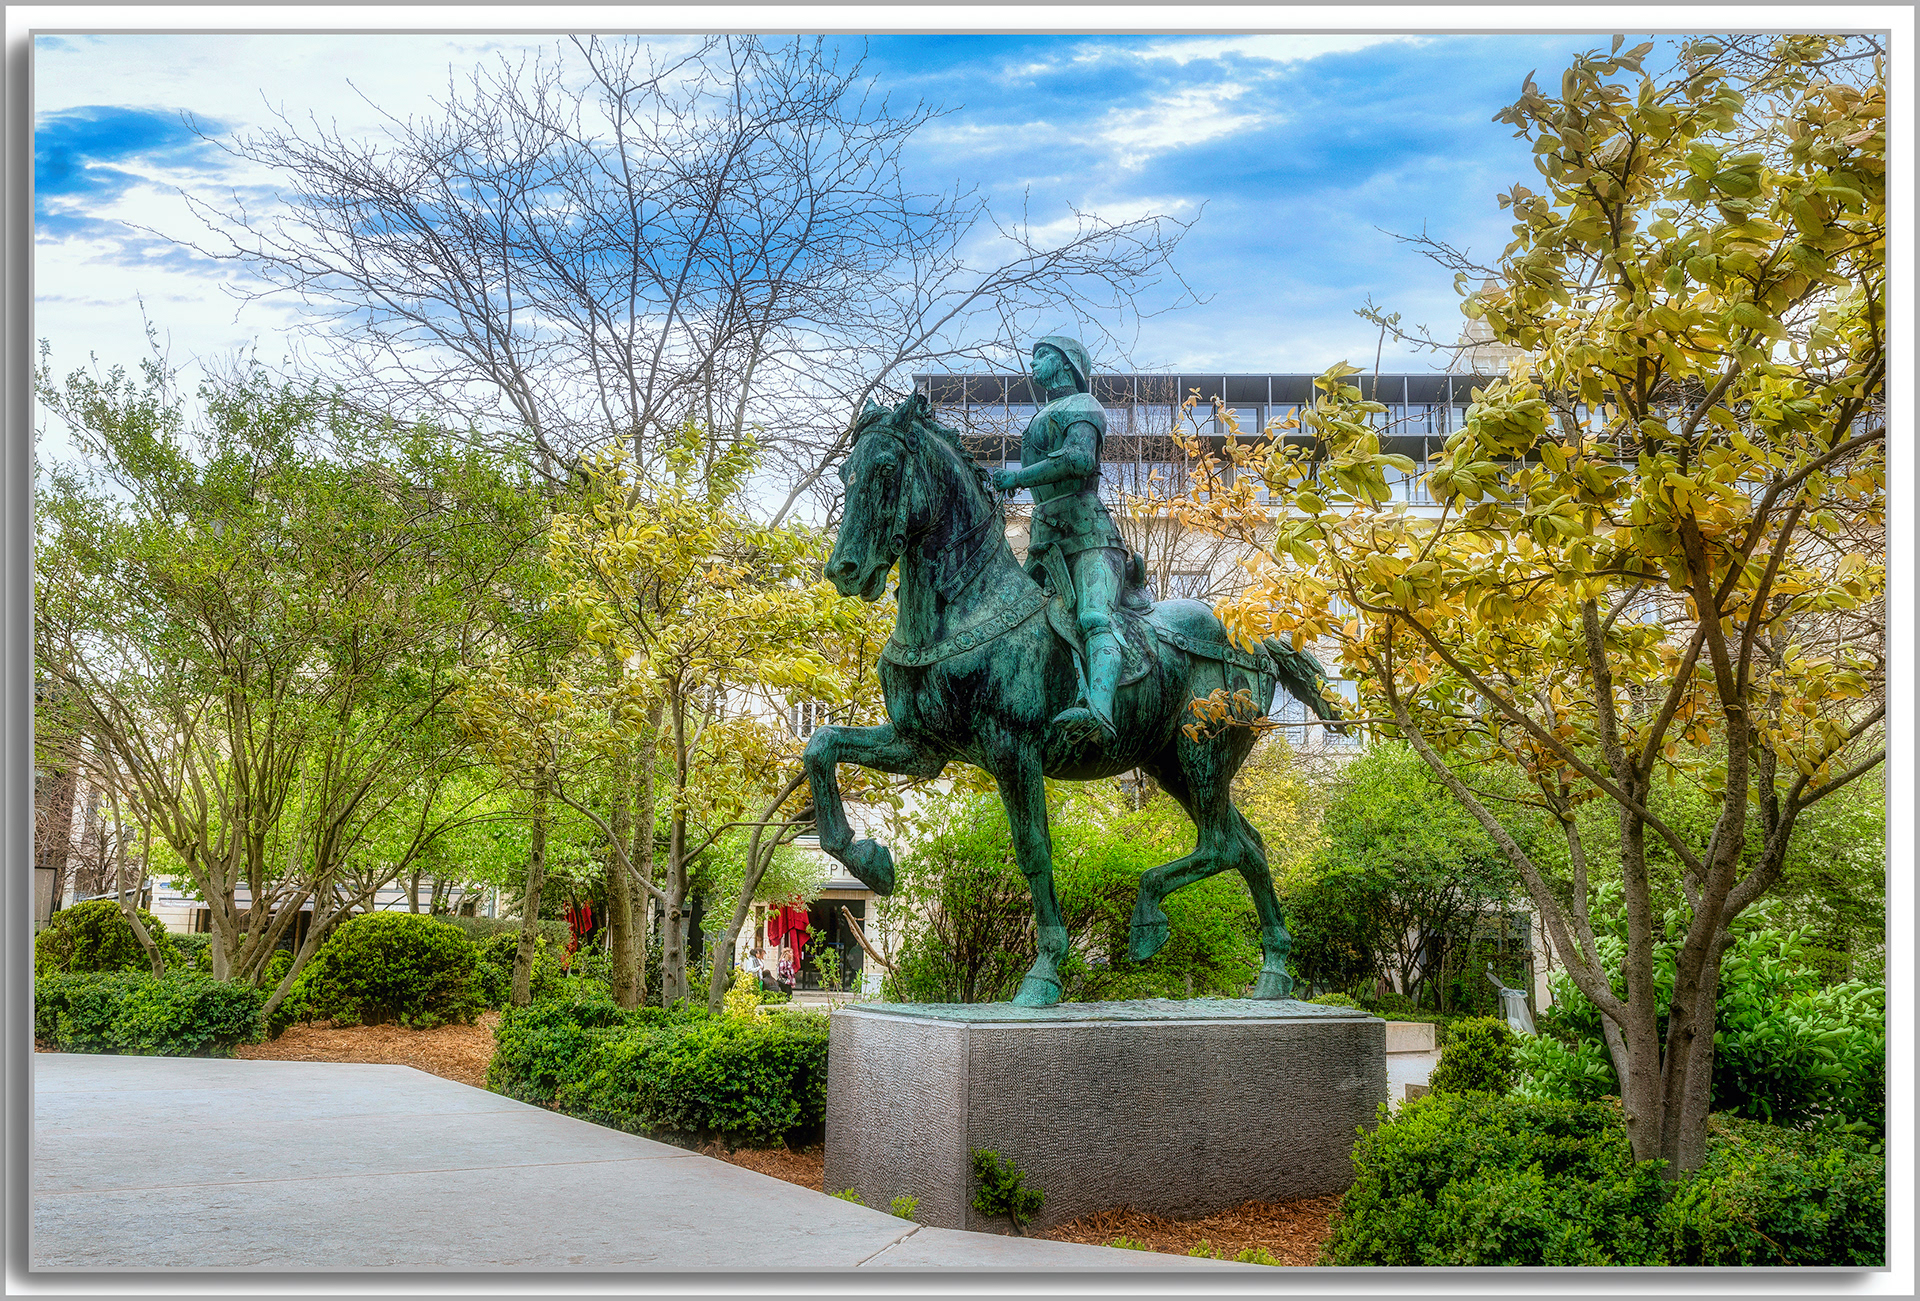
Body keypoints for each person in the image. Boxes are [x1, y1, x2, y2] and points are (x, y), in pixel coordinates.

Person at [989, 335, 1129, 741]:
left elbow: (1078, 459)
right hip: (1045, 539)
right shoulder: (1044, 414)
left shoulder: (1083, 405)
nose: (1035, 363)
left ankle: (1099, 711)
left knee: (1094, 617)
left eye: (1044, 355)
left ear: (1067, 363)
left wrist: (1017, 477)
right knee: (1005, 621)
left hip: (1088, 535)